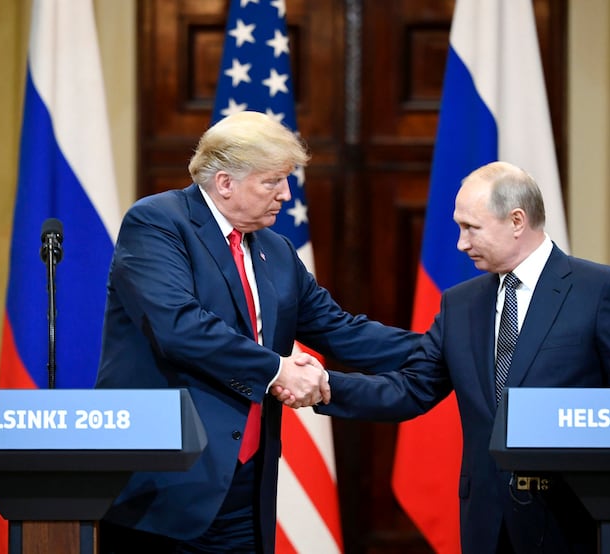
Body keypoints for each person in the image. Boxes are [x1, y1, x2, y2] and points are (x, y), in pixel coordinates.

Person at [291, 161, 610, 553]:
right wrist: (325, 387)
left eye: (471, 228)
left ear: (517, 220)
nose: (460, 243)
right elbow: (413, 388)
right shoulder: (462, 303)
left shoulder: (601, 290)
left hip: (573, 519)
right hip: (487, 522)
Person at [94, 110, 420, 553]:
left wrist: (447, 349)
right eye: (272, 182)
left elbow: (339, 329)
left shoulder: (276, 250)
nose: (285, 194)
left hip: (246, 489)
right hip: (165, 489)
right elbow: (180, 327)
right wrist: (278, 370)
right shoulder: (158, 223)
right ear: (225, 182)